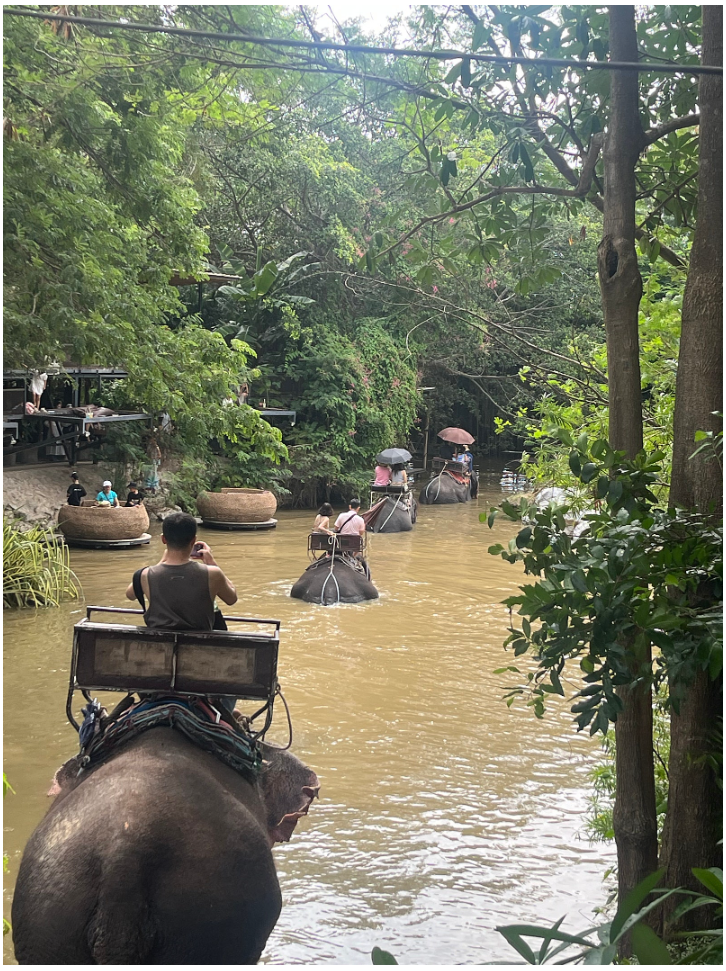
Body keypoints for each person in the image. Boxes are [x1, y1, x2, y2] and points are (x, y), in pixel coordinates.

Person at [125, 512, 237, 631]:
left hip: (160, 646)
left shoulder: (145, 575)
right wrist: (211, 563)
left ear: (163, 539)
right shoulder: (213, 574)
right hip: (201, 646)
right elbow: (232, 599)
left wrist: (161, 562)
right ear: (193, 540)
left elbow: (130, 595)